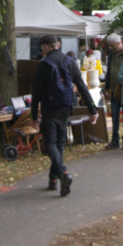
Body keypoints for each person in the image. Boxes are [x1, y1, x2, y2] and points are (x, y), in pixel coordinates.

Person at [30, 34, 97, 195]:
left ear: (46, 47)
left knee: (50, 144)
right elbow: (82, 87)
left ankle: (63, 172)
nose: (41, 50)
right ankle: (54, 179)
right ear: (58, 45)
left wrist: (33, 116)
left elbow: (36, 92)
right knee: (60, 144)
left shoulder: (44, 64)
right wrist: (92, 109)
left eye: (41, 48)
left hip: (49, 110)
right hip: (65, 109)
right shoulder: (70, 62)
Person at [102, 35, 123, 150]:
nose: (112, 48)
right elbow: (109, 71)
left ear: (119, 43)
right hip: (113, 89)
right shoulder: (111, 55)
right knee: (114, 115)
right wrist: (106, 86)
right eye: (110, 46)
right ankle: (115, 140)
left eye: (113, 46)